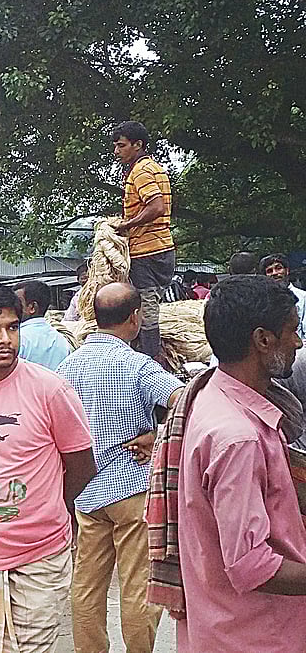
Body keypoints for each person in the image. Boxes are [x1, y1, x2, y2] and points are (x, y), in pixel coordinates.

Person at [147, 275, 306, 652]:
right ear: (263, 340)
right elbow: (253, 565)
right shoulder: (238, 437)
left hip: (219, 624)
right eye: (293, 332)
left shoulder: (209, 395)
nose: (298, 343)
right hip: (255, 634)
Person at [0, 281, 97, 652]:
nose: (5, 339)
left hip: (38, 554)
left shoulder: (49, 389)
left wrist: (54, 510)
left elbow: (81, 464)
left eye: (13, 327)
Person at [56, 282, 184, 653]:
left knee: (87, 584)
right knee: (138, 584)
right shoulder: (137, 364)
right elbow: (185, 399)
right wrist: (157, 435)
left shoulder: (67, 367)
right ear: (135, 318)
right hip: (131, 486)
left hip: (87, 492)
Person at [111, 121, 174, 363]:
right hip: (162, 246)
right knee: (148, 300)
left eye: (121, 146)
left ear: (138, 145)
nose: (117, 152)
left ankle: (150, 357)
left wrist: (127, 225)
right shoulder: (155, 168)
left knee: (145, 304)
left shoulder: (141, 172)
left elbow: (156, 207)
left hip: (147, 250)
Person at [13, 280, 72, 371]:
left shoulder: (18, 338)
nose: (13, 307)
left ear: (32, 307)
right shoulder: (61, 340)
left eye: (17, 303)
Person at [262, 253, 306, 337]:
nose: (274, 273)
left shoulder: (303, 297)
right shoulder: (263, 300)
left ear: (287, 271)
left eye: (278, 268)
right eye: (269, 271)